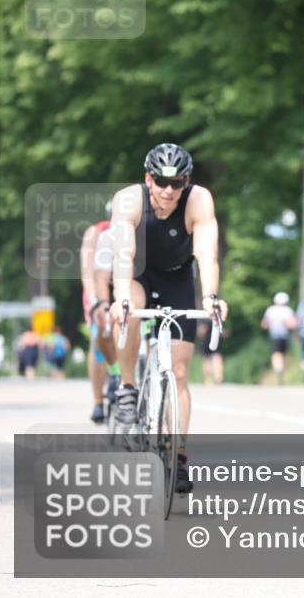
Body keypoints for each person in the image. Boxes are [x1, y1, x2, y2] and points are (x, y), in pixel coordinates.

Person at [109, 143, 228, 494]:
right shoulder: (128, 200)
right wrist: (120, 298)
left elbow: (207, 252)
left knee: (178, 372)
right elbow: (124, 253)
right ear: (148, 179)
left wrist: (210, 297)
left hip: (177, 277)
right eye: (160, 182)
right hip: (138, 273)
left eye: (176, 184)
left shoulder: (199, 200)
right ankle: (128, 386)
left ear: (186, 182)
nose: (167, 191)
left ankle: (177, 456)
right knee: (128, 311)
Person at [80, 214, 121, 423]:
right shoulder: (95, 233)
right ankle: (98, 401)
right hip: (98, 285)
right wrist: (94, 302)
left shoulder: (140, 228)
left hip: (126, 285)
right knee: (99, 337)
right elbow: (88, 272)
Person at [262, 292, 298, 384]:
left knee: (275, 353)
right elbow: (293, 324)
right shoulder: (288, 310)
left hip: (274, 334)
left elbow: (264, 324)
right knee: (283, 354)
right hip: (285, 335)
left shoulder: (271, 310)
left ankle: (278, 368)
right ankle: (281, 369)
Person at [196, 318, 227, 385]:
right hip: (212, 341)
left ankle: (212, 378)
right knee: (215, 359)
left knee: (210, 360)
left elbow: (200, 332)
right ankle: (217, 378)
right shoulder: (217, 315)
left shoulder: (205, 317)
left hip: (210, 341)